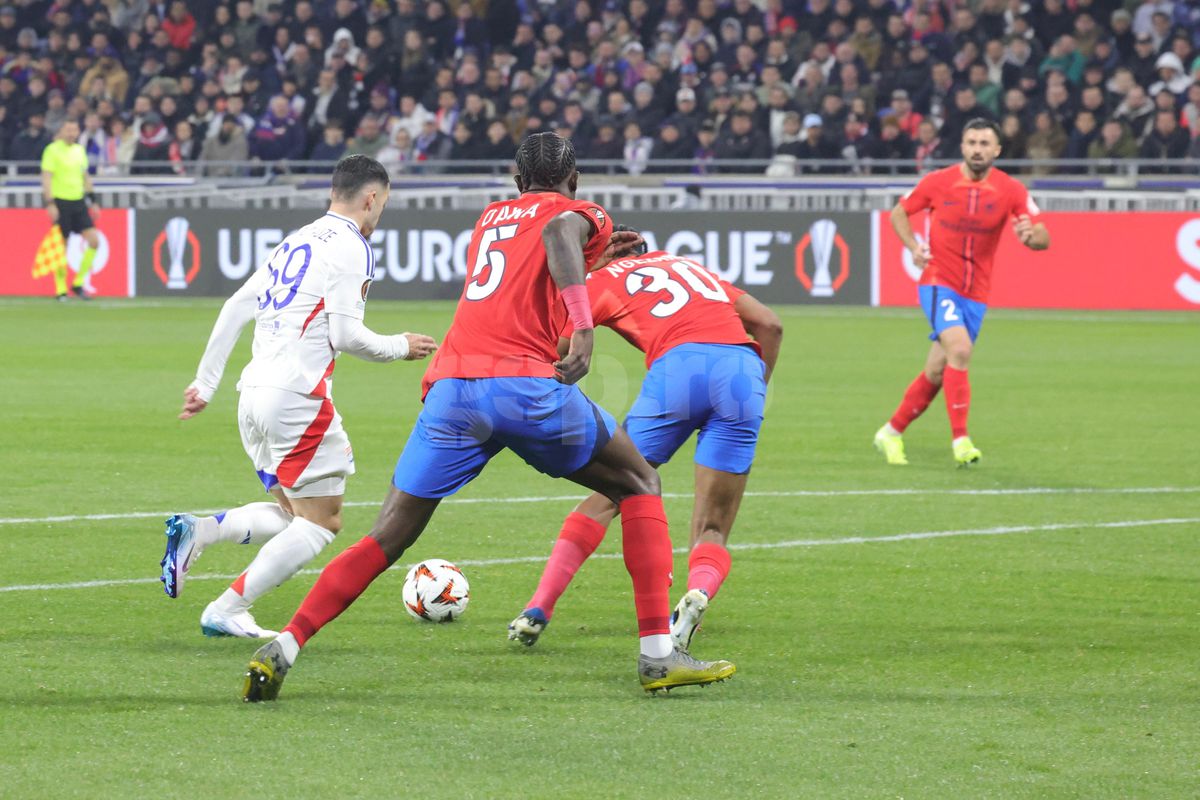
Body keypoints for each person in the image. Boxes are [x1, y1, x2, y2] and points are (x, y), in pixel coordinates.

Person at [241, 133, 736, 702]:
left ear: (515, 179)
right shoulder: (578, 212)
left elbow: (526, 273)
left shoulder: (491, 220)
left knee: (389, 534)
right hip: (524, 389)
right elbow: (556, 232)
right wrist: (582, 322)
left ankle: (286, 642)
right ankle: (658, 655)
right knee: (638, 481)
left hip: (453, 391)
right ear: (573, 179)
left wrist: (591, 260)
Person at [159, 155, 438, 638]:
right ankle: (227, 608)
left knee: (294, 511)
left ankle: (199, 530)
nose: (380, 215)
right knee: (321, 522)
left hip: (252, 396)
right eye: (383, 205)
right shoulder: (353, 246)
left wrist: (206, 384)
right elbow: (348, 336)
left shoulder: (297, 239)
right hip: (296, 397)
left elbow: (234, 306)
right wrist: (401, 347)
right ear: (371, 198)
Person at [509, 234, 782, 653]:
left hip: (678, 371)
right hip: (742, 370)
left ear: (604, 254)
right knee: (712, 525)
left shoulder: (601, 279)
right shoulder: (692, 269)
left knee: (611, 492)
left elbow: (560, 348)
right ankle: (698, 594)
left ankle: (537, 609)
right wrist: (754, 388)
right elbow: (769, 324)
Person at [873, 118, 1050, 467]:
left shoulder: (1011, 189)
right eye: (972, 142)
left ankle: (890, 433)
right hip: (939, 281)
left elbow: (1043, 235)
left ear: (997, 150)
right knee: (961, 348)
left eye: (985, 143)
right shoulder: (938, 182)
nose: (977, 149)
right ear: (963, 147)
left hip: (976, 293)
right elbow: (899, 211)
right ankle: (961, 440)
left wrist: (1032, 238)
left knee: (939, 370)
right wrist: (912, 246)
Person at [40, 119, 100, 301]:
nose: (71, 133)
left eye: (74, 129)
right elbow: (47, 177)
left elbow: (85, 177)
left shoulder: (79, 150)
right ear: (61, 131)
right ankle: (60, 289)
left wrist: (93, 201)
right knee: (62, 246)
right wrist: (50, 202)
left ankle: (79, 282)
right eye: (68, 129)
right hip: (61, 202)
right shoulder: (52, 150)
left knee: (94, 241)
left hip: (79, 202)